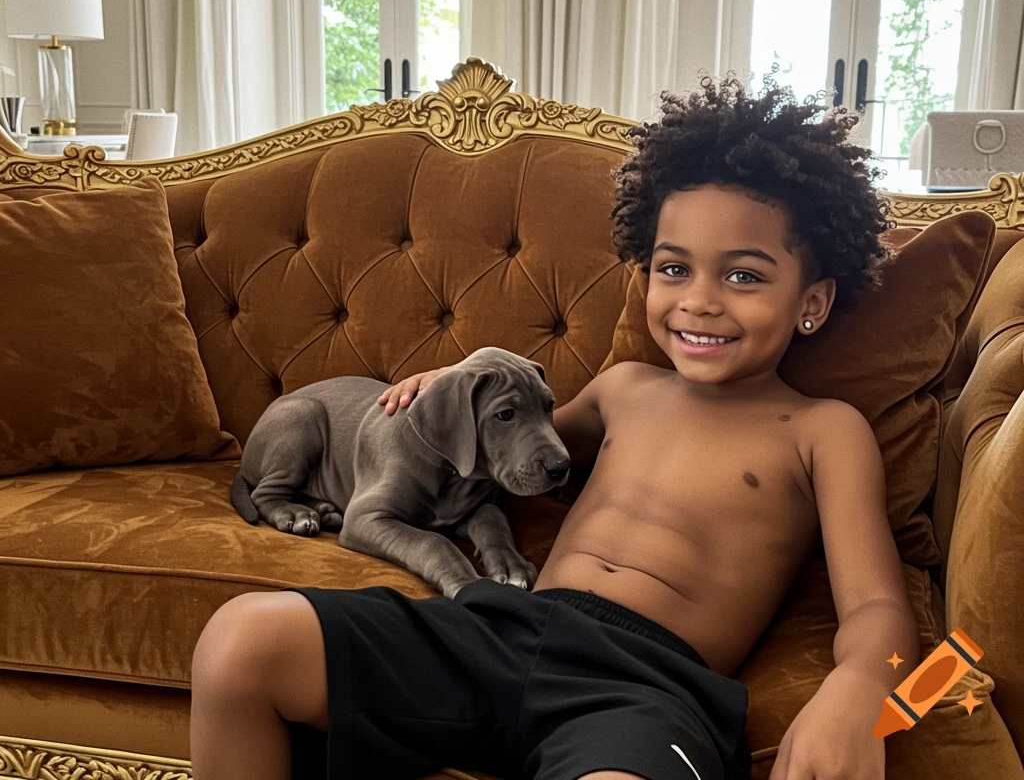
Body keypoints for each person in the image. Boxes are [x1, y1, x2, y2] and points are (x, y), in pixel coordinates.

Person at [190, 72, 921, 780]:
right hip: (497, 630)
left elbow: (881, 607)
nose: (698, 301)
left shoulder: (825, 430)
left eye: (743, 276)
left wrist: (865, 691)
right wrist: (440, 390)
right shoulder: (624, 389)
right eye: (673, 269)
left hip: (643, 685)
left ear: (812, 303)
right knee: (241, 639)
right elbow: (494, 449)